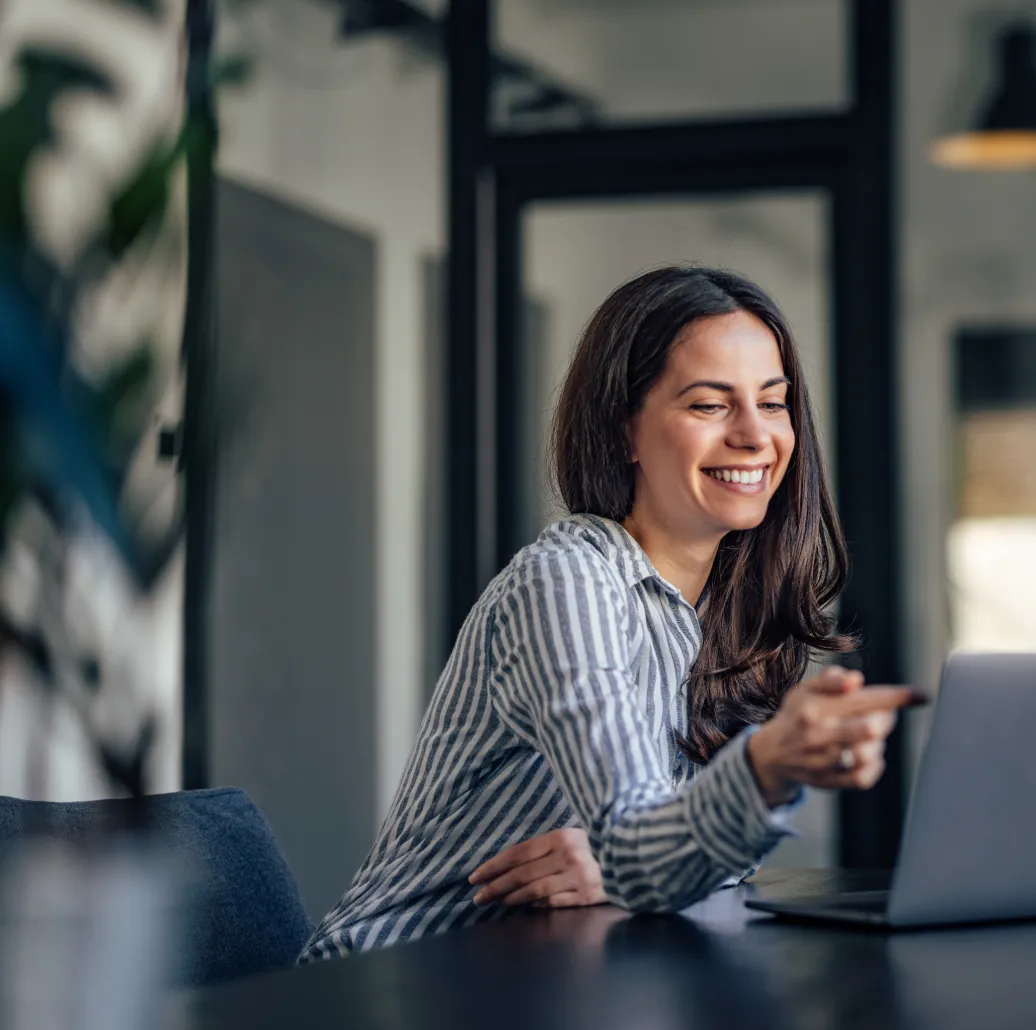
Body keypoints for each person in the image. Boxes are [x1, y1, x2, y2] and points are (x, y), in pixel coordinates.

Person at [301, 267, 918, 960]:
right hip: (390, 992)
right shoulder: (566, 584)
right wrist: (753, 777)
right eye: (710, 406)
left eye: (772, 403)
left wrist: (619, 864)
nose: (755, 435)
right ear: (625, 430)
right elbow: (647, 852)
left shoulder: (728, 609)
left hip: (541, 986)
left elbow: (660, 860)